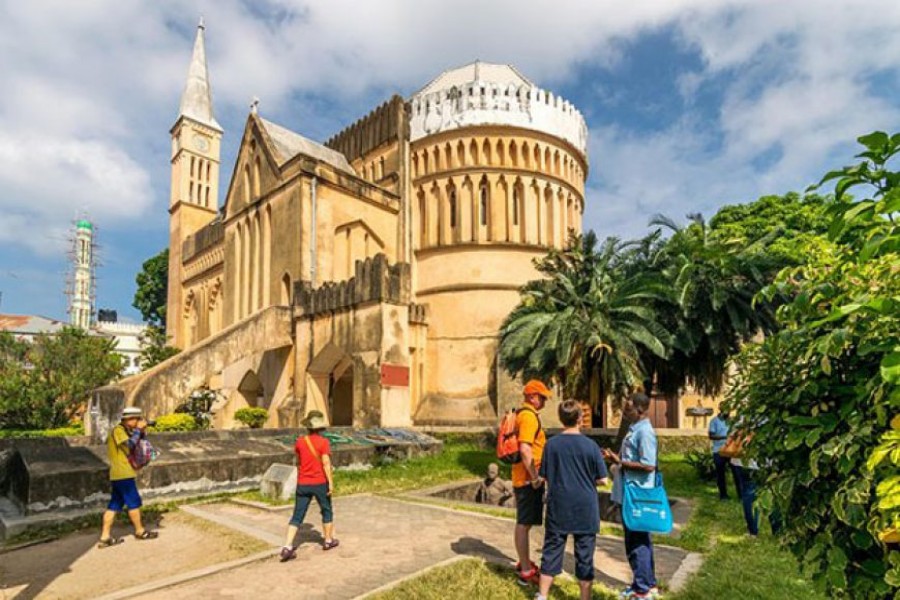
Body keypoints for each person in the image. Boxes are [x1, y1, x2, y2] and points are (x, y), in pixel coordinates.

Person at [535, 400, 609, 600]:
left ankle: (542, 595)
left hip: (558, 505)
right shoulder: (591, 446)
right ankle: (585, 597)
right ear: (580, 419)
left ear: (561, 419)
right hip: (585, 508)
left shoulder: (551, 445)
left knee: (551, 551)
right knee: (584, 557)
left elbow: (543, 476)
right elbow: (603, 479)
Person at [603, 393, 660, 599]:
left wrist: (619, 460)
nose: (625, 412)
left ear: (639, 409)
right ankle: (648, 583)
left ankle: (641, 589)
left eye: (628, 409)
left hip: (636, 494)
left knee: (636, 542)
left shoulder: (644, 432)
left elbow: (648, 465)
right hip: (629, 491)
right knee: (641, 539)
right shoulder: (634, 429)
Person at [280, 410, 338, 561]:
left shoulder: (300, 442)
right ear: (321, 428)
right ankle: (328, 540)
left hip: (303, 483)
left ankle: (287, 546)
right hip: (319, 482)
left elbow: (299, 461)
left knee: (297, 515)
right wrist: (330, 483)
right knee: (326, 510)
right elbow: (326, 463)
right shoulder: (324, 442)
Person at [98, 406, 158, 548]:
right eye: (136, 419)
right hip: (122, 474)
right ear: (129, 419)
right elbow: (130, 445)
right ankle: (140, 531)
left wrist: (141, 431)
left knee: (114, 506)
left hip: (121, 474)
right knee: (134, 503)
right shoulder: (118, 431)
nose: (138, 422)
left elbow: (140, 444)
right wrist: (138, 431)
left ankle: (105, 537)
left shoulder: (127, 431)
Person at [513, 379, 551, 586]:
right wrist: (535, 477)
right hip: (528, 480)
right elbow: (525, 449)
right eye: (542, 397)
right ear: (532, 397)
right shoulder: (528, 417)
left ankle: (524, 561)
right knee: (524, 523)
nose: (544, 401)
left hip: (524, 476)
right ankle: (526, 570)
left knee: (524, 523)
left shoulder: (525, 415)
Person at [708, 409, 741, 500]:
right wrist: (725, 437)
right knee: (720, 474)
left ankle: (740, 495)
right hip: (718, 451)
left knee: (737, 473)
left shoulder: (732, 421)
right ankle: (723, 495)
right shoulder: (714, 421)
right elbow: (711, 436)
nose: (728, 413)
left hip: (731, 451)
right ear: (721, 410)